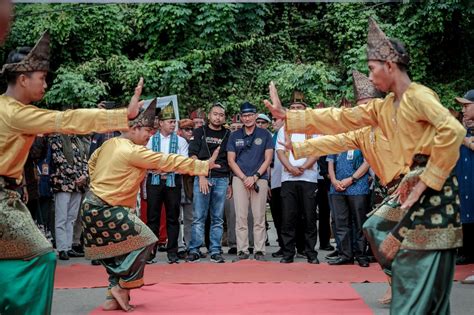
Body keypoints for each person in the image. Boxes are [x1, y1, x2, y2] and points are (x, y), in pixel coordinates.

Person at [265, 18, 465, 314]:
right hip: (410, 192)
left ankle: (400, 283)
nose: (371, 78)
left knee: (416, 283)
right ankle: (398, 281)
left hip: (430, 194)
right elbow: (339, 121)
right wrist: (291, 119)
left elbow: (454, 131)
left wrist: (426, 178)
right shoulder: (382, 109)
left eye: (372, 69)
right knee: (420, 283)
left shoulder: (419, 96)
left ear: (390, 65)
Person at [0, 32, 142, 315]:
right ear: (24, 78)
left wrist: (16, 181)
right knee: (41, 256)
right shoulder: (16, 114)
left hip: (10, 192)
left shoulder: (9, 110)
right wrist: (121, 115)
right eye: (41, 77)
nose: (45, 83)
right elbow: (66, 120)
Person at [81, 99, 220, 311]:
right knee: (145, 241)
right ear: (135, 128)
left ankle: (112, 296)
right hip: (106, 208)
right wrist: (202, 165)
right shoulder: (133, 151)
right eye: (147, 130)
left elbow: (92, 162)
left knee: (117, 251)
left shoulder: (110, 144)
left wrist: (100, 183)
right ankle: (122, 286)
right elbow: (168, 161)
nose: (150, 135)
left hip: (91, 205)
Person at [276, 95, 320, 264]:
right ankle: (288, 253)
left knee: (309, 217)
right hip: (288, 179)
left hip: (309, 179)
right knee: (288, 217)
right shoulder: (284, 128)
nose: (295, 110)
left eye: (299, 108)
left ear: (305, 110)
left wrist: (303, 167)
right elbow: (280, 151)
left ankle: (311, 253)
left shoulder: (313, 128)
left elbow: (317, 151)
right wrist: (290, 168)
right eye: (292, 108)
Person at [227, 101, 273, 262]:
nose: (247, 118)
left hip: (259, 178)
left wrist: (256, 176)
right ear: (241, 117)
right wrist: (244, 178)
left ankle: (260, 250)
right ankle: (242, 250)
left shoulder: (265, 134)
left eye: (250, 115)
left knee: (259, 216)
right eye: (244, 115)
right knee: (241, 216)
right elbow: (231, 161)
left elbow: (268, 158)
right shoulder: (234, 135)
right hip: (240, 179)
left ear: (255, 115)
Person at [187, 103, 231, 263]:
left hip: (222, 178)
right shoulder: (199, 132)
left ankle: (215, 250)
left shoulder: (228, 134)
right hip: (202, 178)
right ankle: (195, 249)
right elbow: (192, 156)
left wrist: (230, 183)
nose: (218, 117)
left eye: (221, 115)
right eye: (215, 114)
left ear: (224, 117)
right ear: (209, 115)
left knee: (218, 218)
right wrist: (201, 176)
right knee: (199, 216)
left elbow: (230, 159)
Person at [145, 104, 189, 264]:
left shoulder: (181, 141)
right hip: (154, 182)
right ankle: (150, 253)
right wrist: (162, 169)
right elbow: (145, 160)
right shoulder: (150, 140)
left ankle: (173, 252)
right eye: (170, 121)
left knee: (173, 217)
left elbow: (184, 163)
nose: (173, 125)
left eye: (174, 122)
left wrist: (164, 170)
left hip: (173, 182)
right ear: (161, 122)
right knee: (152, 217)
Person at [455, 90, 474, 284]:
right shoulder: (463, 131)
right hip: (464, 182)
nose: (463, 110)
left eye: (467, 105)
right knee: (466, 217)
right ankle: (466, 253)